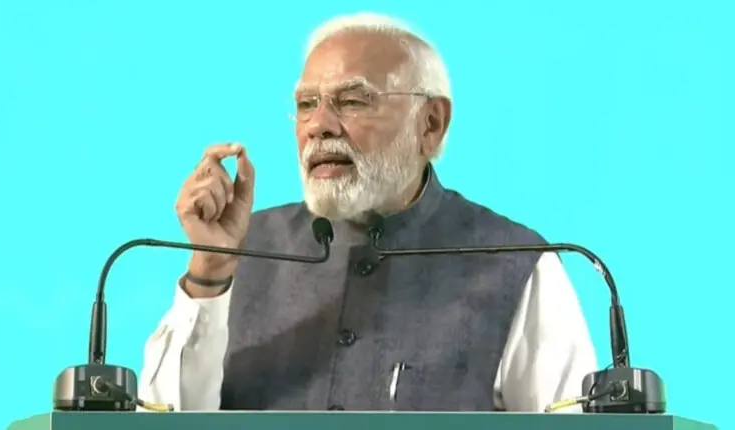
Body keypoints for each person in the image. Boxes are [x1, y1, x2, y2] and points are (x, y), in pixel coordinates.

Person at [138, 13, 598, 412]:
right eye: (306, 105)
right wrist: (209, 275)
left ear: (431, 124)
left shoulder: (515, 263)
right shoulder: (246, 249)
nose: (319, 126)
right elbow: (163, 418)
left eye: (353, 100)